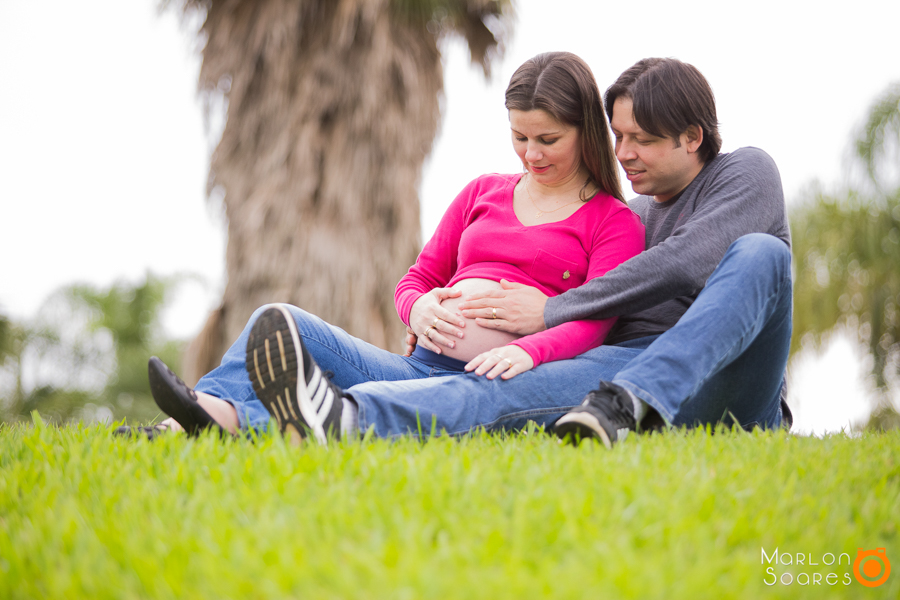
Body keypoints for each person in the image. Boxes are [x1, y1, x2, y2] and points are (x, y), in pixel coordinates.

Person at [116, 51, 645, 443]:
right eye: (519, 137)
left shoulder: (612, 221)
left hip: (485, 383)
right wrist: (418, 305)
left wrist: (524, 348)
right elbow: (417, 277)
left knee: (345, 403)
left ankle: (214, 425)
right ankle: (192, 413)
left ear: (585, 132)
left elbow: (593, 322)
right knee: (277, 320)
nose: (530, 153)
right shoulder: (483, 192)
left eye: (547, 139)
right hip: (416, 366)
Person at [393, 56, 793, 447]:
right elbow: (594, 317)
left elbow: (684, 263)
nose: (623, 153)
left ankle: (631, 401)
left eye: (643, 139)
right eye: (619, 136)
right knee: (495, 390)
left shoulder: (744, 174)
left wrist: (552, 310)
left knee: (763, 254)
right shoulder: (631, 215)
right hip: (614, 373)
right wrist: (432, 314)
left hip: (724, 384)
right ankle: (354, 412)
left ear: (692, 137)